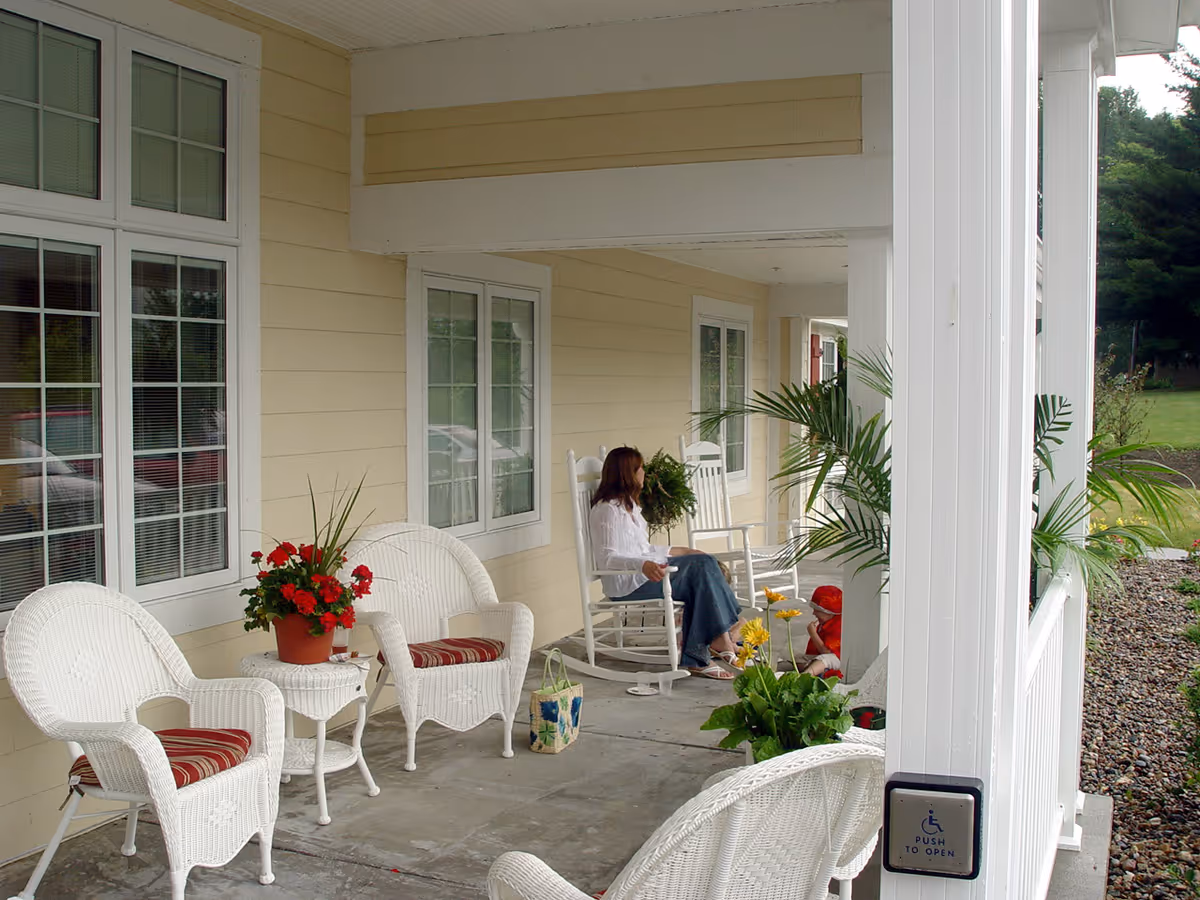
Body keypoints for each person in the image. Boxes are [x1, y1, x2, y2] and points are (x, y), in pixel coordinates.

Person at [589, 446, 742, 680]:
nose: (644, 474)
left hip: (645, 574)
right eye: (640, 469)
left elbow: (645, 549)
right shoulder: (607, 511)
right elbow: (607, 558)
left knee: (704, 563)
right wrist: (641, 566)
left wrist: (683, 550)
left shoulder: (629, 507)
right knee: (701, 569)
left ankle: (710, 648)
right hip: (628, 583)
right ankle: (723, 639)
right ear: (628, 473)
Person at [800, 585, 842, 677]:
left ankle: (803, 678)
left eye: (817, 610)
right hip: (818, 659)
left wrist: (813, 634)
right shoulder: (825, 622)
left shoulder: (839, 625)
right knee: (796, 659)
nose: (814, 613)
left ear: (829, 611)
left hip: (835, 662)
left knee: (826, 659)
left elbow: (827, 653)